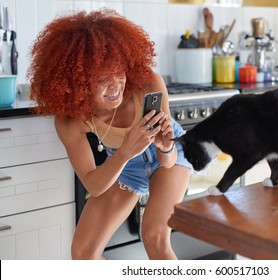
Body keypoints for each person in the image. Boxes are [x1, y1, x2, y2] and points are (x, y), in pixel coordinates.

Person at [27, 8, 192, 260]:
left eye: (119, 72)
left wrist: (165, 146)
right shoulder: (71, 121)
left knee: (154, 236)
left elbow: (168, 161)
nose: (116, 86)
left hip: (169, 157)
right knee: (83, 253)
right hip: (124, 163)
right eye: (102, 79)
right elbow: (94, 185)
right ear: (78, 82)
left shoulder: (148, 83)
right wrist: (126, 151)